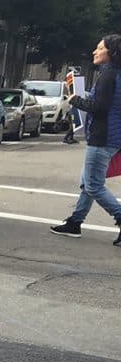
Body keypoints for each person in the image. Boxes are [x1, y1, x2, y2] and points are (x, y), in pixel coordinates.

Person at [49, 35, 121, 246]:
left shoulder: (108, 76)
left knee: (93, 185)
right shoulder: (115, 75)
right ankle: (75, 221)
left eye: (100, 48)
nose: (94, 52)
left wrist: (76, 100)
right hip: (111, 135)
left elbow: (100, 108)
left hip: (103, 136)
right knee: (87, 183)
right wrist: (86, 96)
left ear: (111, 53)